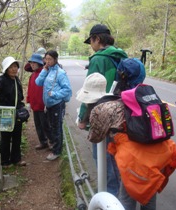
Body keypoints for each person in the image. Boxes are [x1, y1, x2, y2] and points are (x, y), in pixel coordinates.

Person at [77, 70, 176, 210]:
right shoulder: (120, 100)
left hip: (136, 159)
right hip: (161, 150)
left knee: (126, 199)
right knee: (148, 194)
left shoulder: (100, 110)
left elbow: (95, 137)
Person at [77, 23, 128, 196]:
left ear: (97, 39)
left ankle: (109, 198)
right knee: (115, 155)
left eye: (91, 41)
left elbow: (89, 91)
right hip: (121, 113)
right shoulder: (121, 56)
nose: (91, 46)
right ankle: (118, 194)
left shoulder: (98, 59)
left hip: (102, 114)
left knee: (102, 157)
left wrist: (83, 119)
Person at [0, 56, 27, 167]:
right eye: (11, 67)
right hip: (5, 113)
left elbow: (20, 96)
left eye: (15, 67)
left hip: (16, 112)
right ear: (6, 68)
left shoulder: (16, 80)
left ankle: (16, 159)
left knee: (17, 136)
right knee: (6, 137)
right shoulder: (1, 79)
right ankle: (4, 161)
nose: (14, 69)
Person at [35, 50, 72, 161]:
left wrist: (54, 94)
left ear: (56, 59)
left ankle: (56, 151)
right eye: (46, 59)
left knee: (56, 128)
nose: (47, 61)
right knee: (51, 127)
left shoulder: (60, 73)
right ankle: (55, 147)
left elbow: (67, 90)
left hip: (57, 104)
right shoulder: (47, 70)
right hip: (49, 105)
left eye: (50, 59)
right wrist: (44, 70)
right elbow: (38, 82)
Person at [26, 53, 51, 150]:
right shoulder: (32, 76)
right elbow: (30, 90)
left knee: (46, 125)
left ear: (39, 63)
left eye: (34, 63)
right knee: (38, 125)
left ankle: (51, 142)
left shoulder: (45, 74)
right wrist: (28, 102)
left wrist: (47, 103)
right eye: (31, 63)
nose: (32, 65)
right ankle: (43, 142)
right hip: (35, 105)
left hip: (43, 105)